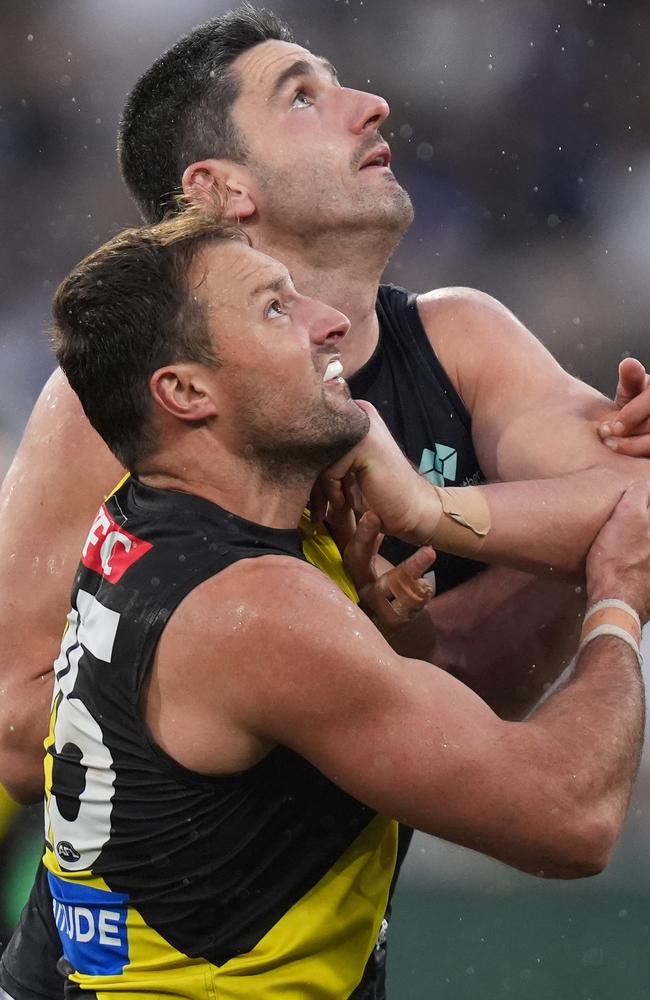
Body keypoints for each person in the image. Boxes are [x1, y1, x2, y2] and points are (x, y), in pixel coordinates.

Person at [1, 4, 650, 996]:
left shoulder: (458, 336)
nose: (369, 103)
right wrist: (296, 686)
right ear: (220, 189)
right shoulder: (125, 402)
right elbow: (15, 723)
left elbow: (627, 503)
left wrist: (428, 539)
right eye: (301, 94)